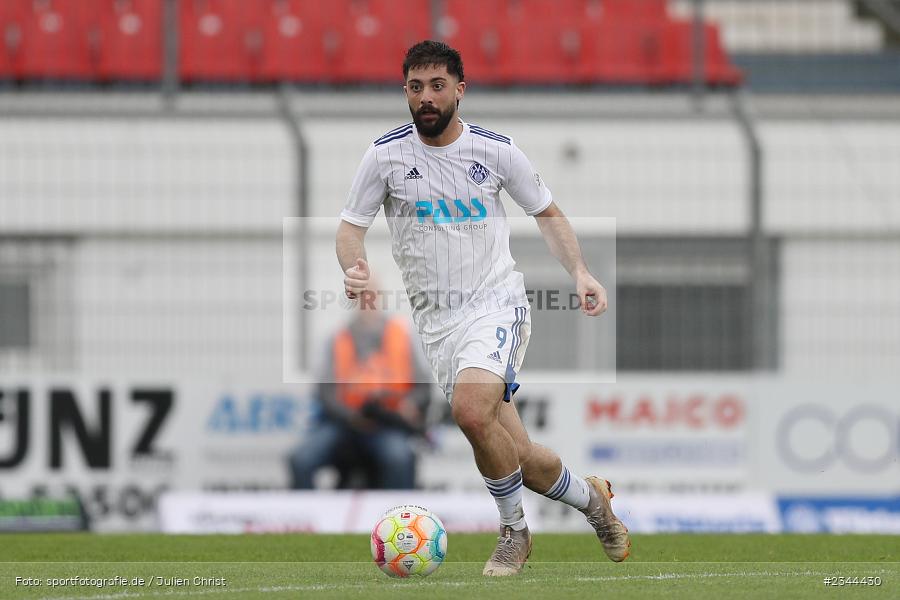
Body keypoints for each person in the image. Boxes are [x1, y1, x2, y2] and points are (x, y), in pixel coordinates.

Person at [336, 40, 630, 575]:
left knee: (471, 412)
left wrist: (581, 272)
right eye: (416, 87)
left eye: (437, 86)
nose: (426, 97)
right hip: (437, 325)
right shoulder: (384, 156)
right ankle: (594, 501)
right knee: (520, 457)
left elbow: (547, 214)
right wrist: (353, 266)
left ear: (460, 90)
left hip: (497, 304)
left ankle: (514, 533)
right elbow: (350, 228)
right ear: (405, 91)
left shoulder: (496, 152)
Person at [289, 292, 430, 490]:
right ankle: (307, 511)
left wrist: (410, 404)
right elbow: (325, 393)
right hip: (342, 424)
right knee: (301, 460)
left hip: (387, 425)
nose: (367, 302)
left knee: (399, 459)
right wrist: (352, 417)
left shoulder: (402, 335)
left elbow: (423, 387)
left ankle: (398, 511)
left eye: (372, 295)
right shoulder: (337, 337)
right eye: (362, 296)